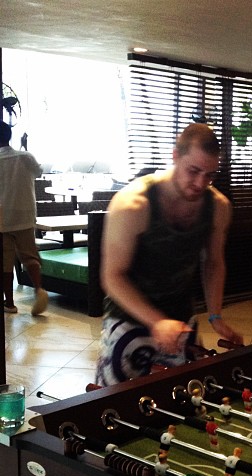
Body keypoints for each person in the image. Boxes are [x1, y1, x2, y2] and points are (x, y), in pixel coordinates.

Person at [95, 123, 243, 386]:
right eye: (193, 171)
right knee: (115, 407)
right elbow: (112, 277)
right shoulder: (133, 203)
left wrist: (216, 316)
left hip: (180, 318)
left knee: (185, 399)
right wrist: (157, 321)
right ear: (175, 156)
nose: (201, 183)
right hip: (127, 318)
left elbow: (213, 263)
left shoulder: (218, 206)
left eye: (209, 175)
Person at [0, 121, 48, 315]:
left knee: (5, 261)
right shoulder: (25, 157)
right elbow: (38, 172)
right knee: (30, 256)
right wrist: (25, 147)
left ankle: (10, 304)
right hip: (25, 216)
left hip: (2, 218)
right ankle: (39, 291)